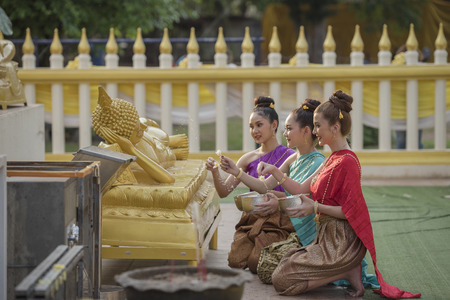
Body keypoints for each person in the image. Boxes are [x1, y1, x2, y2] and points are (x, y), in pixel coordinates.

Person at [236, 90, 420, 298]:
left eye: (317, 126)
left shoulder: (347, 162)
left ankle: (347, 269)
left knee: (282, 280)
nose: (314, 131)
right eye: (313, 126)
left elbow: (350, 211)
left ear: (335, 128)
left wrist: (314, 207)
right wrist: (274, 171)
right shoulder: (332, 159)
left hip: (341, 241)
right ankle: (345, 270)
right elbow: (299, 189)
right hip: (324, 238)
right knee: (281, 265)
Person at [205, 96, 295, 273]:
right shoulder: (248, 158)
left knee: (256, 264)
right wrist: (215, 172)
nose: (255, 130)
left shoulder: (289, 156)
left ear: (274, 125)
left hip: (278, 218)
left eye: (259, 125)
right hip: (252, 218)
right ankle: (256, 245)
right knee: (235, 261)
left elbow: (296, 195)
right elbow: (224, 191)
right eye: (251, 126)